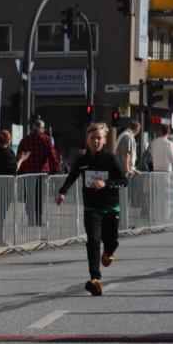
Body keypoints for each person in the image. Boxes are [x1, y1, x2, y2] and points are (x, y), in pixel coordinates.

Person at [56, 122, 129, 296]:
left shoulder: (111, 160)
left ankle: (109, 253)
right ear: (87, 140)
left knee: (111, 241)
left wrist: (105, 183)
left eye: (99, 138)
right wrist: (62, 192)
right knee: (93, 241)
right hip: (92, 209)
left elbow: (124, 181)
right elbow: (72, 176)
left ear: (104, 141)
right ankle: (94, 279)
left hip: (111, 208)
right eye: (92, 138)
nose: (95, 141)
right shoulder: (82, 161)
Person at [0, 129, 23, 247]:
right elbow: (14, 168)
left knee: (1, 212)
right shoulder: (5, 152)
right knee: (2, 212)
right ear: (9, 140)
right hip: (4, 186)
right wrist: (22, 159)